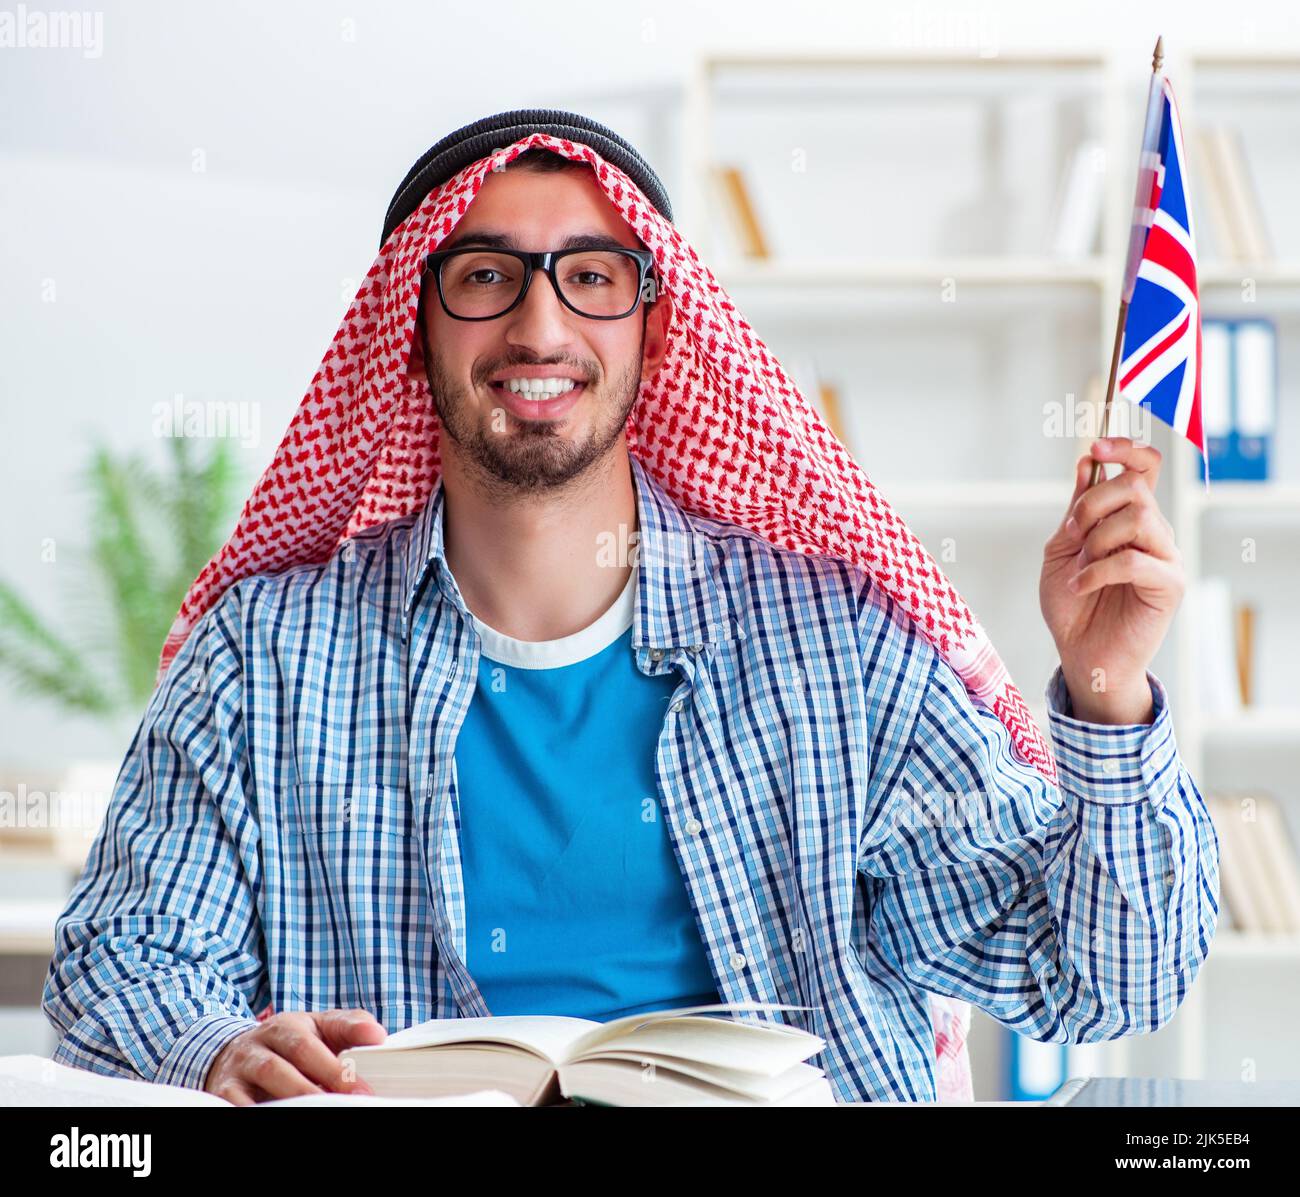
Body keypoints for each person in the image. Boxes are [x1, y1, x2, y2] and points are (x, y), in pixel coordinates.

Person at [43, 111, 1220, 1105]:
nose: (541, 328)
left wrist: (1110, 695)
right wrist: (216, 1049)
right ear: (412, 325)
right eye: (487, 275)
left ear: (655, 330)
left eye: (591, 277)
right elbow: (116, 969)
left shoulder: (834, 646)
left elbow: (1103, 983)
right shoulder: (266, 659)